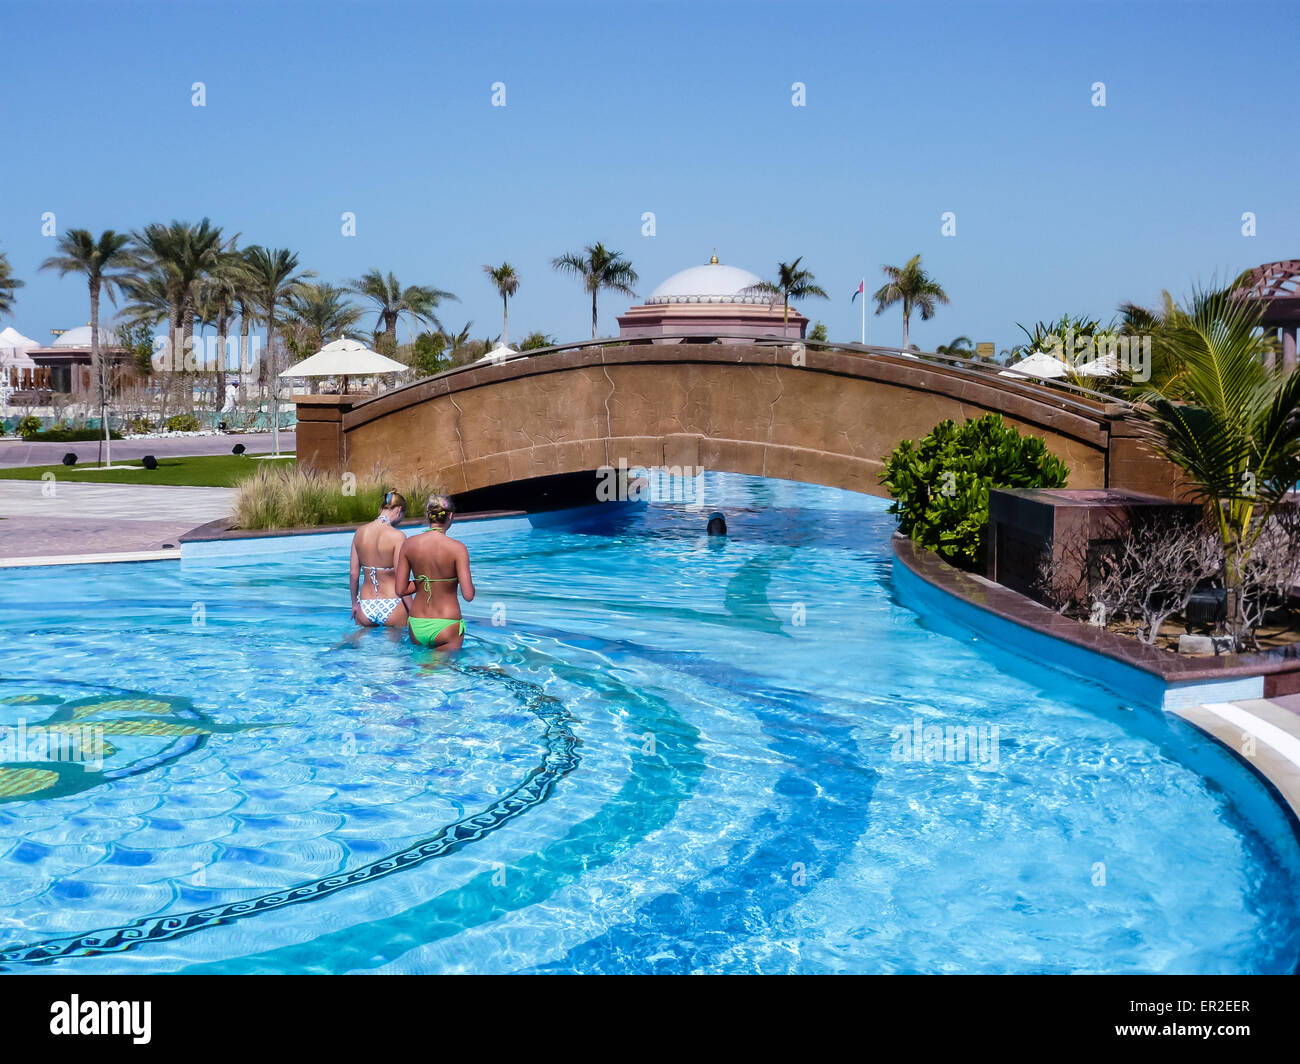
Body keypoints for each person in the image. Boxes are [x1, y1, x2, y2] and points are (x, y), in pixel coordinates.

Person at [397, 494, 475, 650]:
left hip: (417, 623)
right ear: (451, 516)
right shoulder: (457, 548)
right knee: (445, 672)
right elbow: (468, 595)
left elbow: (401, 590)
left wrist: (422, 581)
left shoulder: (408, 544)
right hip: (446, 624)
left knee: (420, 672)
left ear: (428, 515)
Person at [349, 490, 410, 628]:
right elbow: (401, 578)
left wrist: (354, 604)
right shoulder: (398, 536)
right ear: (399, 510)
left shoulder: (360, 532)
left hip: (365, 604)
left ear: (381, 508)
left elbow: (354, 574)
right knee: (395, 649)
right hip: (393, 603)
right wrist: (412, 610)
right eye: (403, 517)